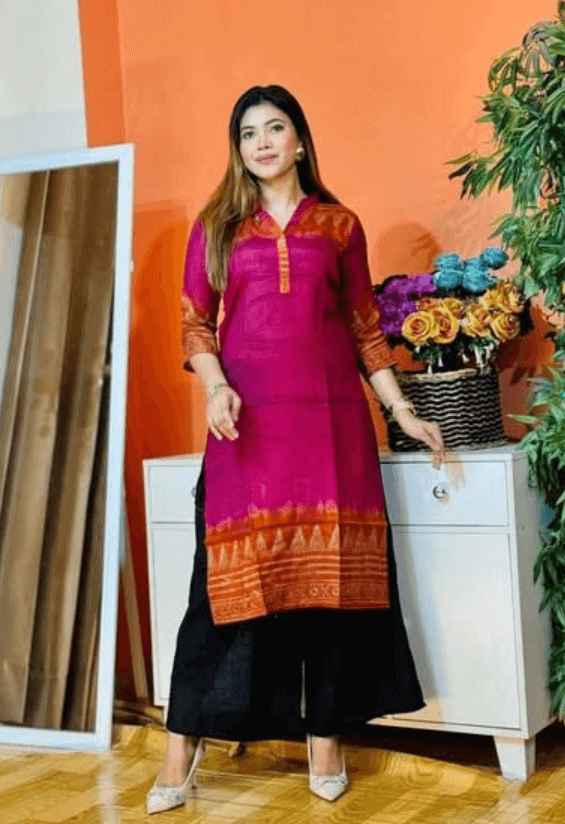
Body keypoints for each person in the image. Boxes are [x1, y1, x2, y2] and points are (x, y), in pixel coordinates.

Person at [146, 84, 444, 815]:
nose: (262, 143)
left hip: (332, 431)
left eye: (275, 128)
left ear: (300, 139)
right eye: (249, 133)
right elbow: (195, 325)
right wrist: (216, 387)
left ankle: (325, 740)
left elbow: (365, 327)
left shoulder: (339, 225)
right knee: (216, 597)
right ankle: (181, 749)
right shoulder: (218, 227)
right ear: (238, 148)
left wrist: (403, 410)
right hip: (247, 433)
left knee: (329, 595)